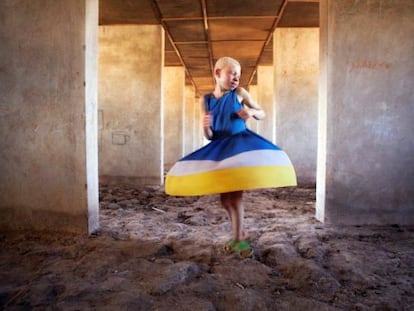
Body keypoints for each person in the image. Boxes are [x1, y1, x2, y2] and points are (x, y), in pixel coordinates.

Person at [165, 56, 297, 258]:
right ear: (218, 74)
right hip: (221, 149)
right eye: (232, 73)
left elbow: (262, 113)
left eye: (238, 74)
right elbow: (209, 136)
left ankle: (239, 239)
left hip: (240, 147)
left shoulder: (239, 93)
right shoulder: (206, 100)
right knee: (225, 200)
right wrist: (205, 126)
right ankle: (240, 231)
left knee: (235, 197)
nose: (236, 77)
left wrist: (250, 112)